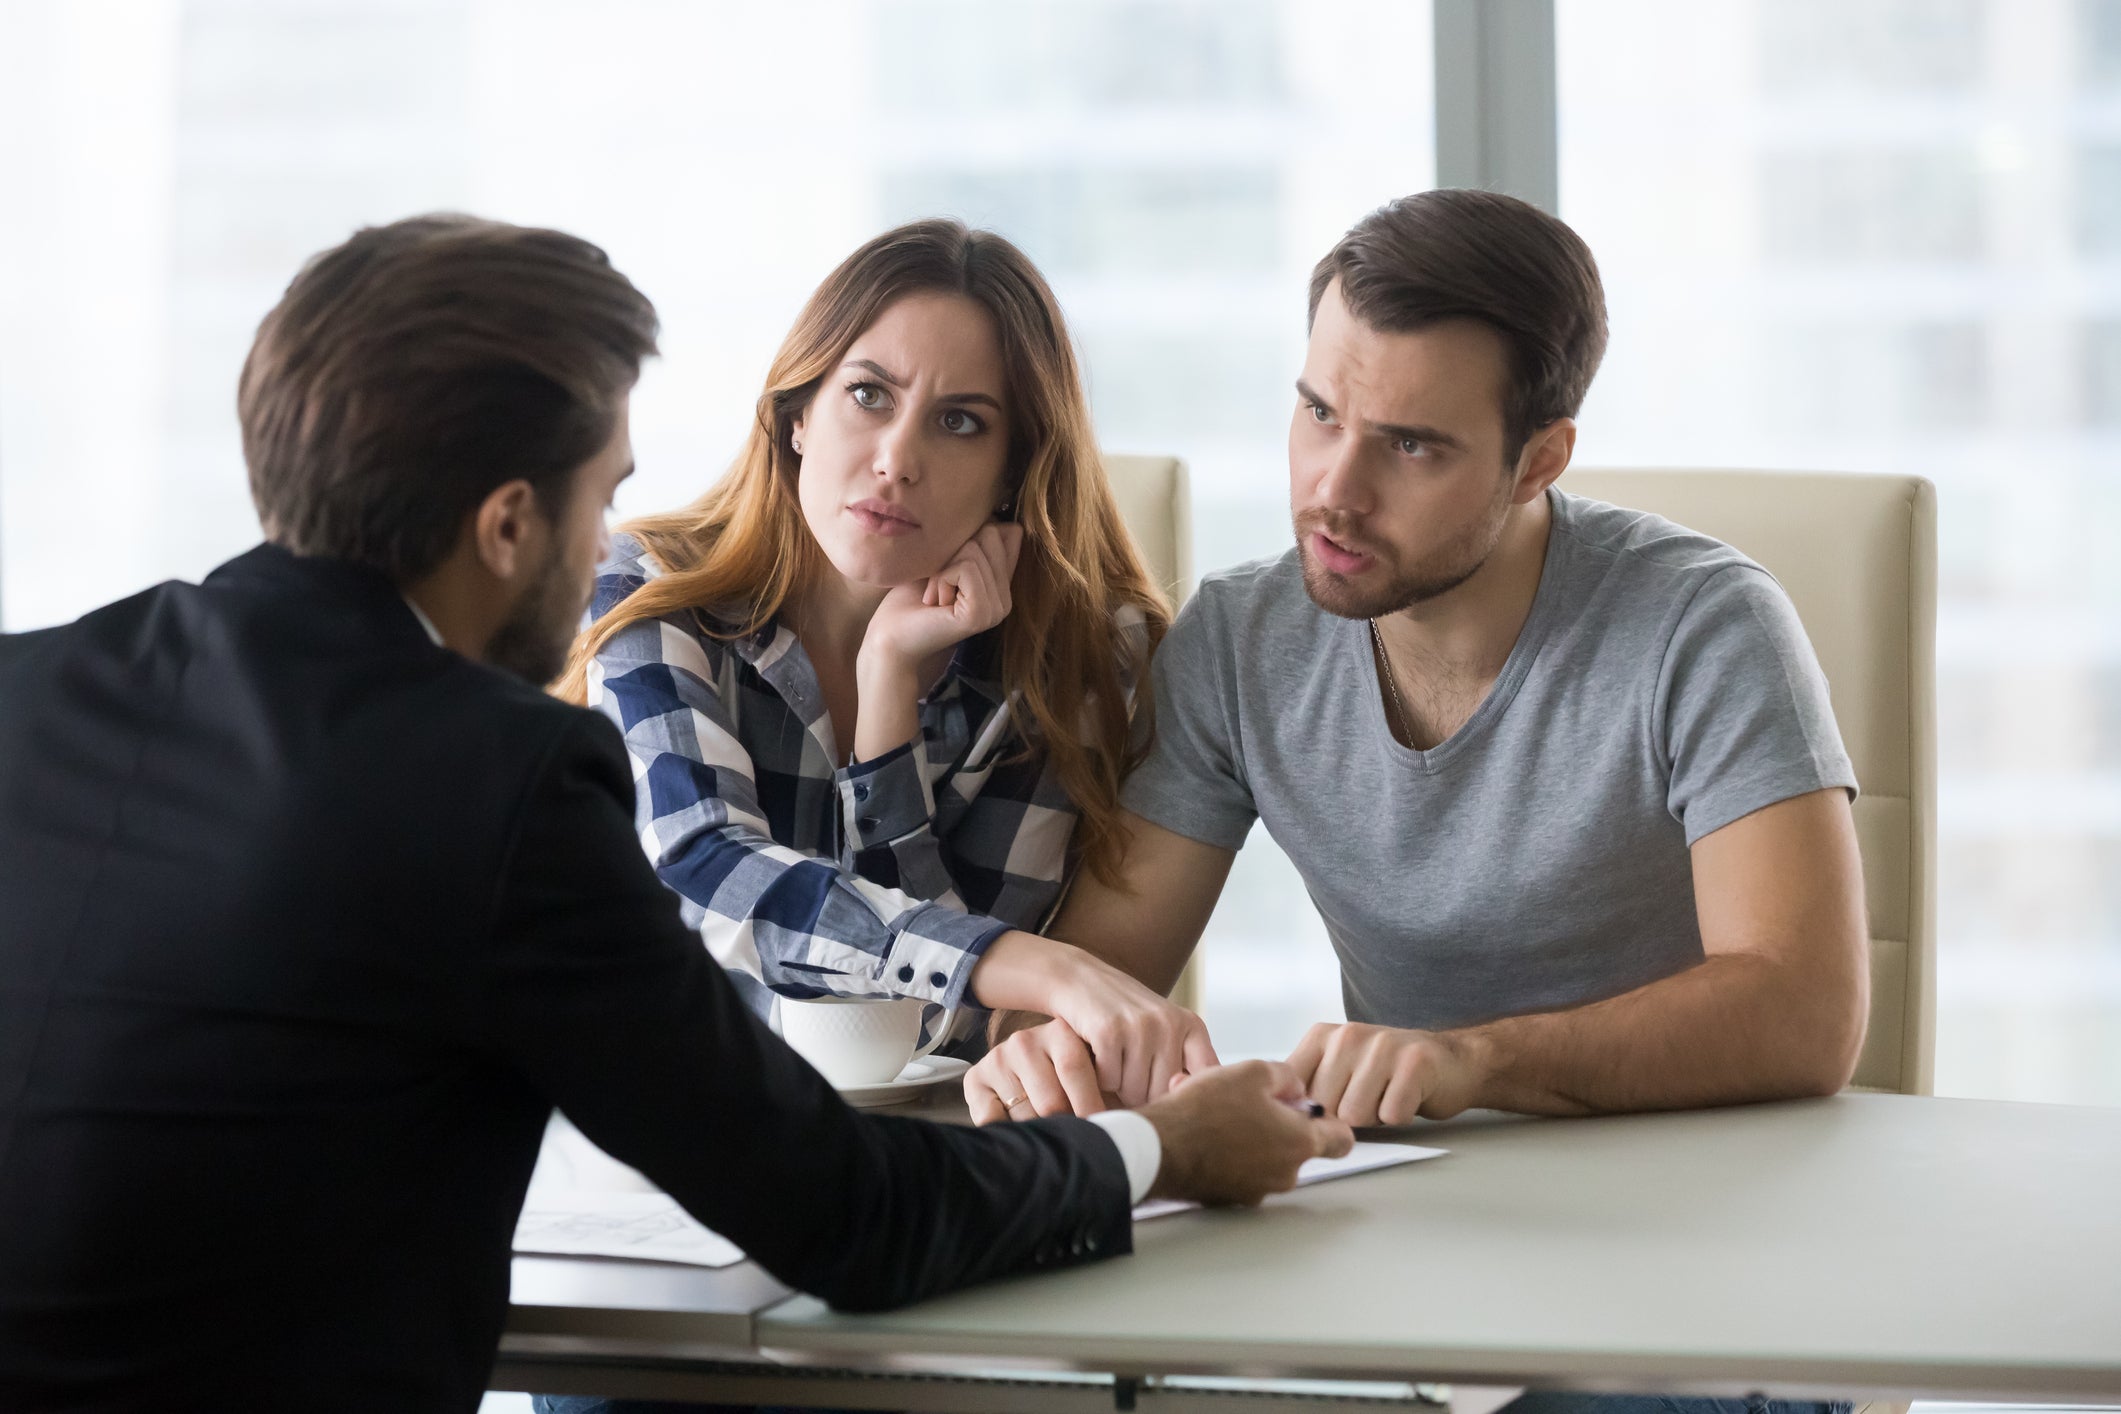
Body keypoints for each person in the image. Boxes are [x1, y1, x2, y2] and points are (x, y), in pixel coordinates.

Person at [0, 214, 1353, 1414]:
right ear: (511, 524)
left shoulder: (27, 685)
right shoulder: (504, 773)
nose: (613, 539)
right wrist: (1164, 1146)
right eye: (604, 492)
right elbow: (850, 1216)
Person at [966, 186, 1867, 1414]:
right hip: (1418, 1247)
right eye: (1318, 411)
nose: (1334, 489)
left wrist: (1472, 1056)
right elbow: (1094, 978)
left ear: (1539, 457)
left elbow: (1805, 1012)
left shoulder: (1705, 627)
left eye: (1413, 445)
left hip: (1711, 1259)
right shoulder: (1239, 641)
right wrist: (1047, 1057)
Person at [557, 219, 1212, 1108]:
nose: (897, 461)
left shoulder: (1078, 660)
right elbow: (705, 869)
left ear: (1011, 471)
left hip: (936, 1149)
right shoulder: (648, 591)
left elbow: (944, 1030)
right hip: (669, 1142)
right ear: (797, 416)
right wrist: (1014, 965)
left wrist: (886, 703)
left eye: (958, 422)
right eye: (869, 395)